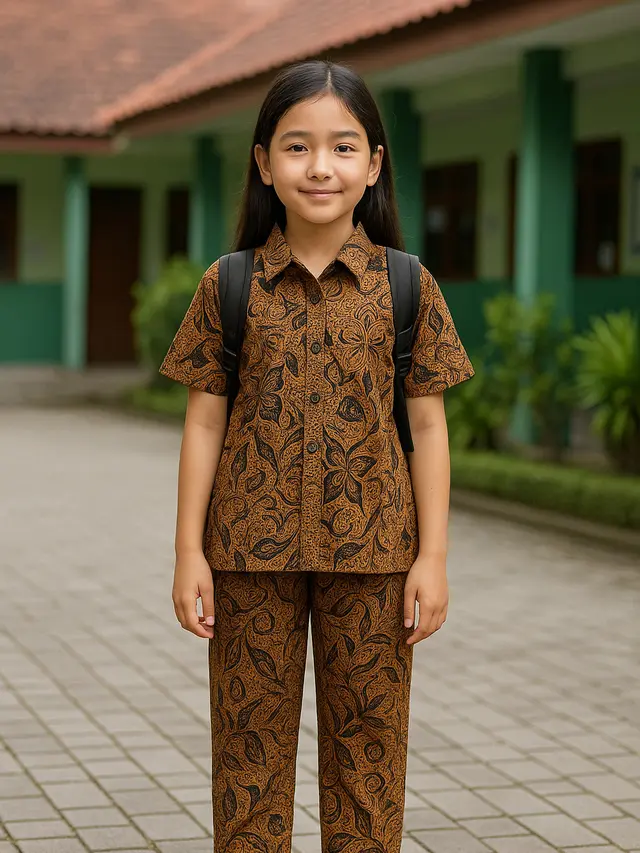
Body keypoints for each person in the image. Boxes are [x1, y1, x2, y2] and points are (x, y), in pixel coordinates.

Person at [159, 59, 474, 853]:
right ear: (265, 163)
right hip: (245, 556)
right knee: (247, 753)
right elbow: (203, 423)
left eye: (342, 147)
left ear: (373, 165)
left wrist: (432, 556)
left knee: (369, 756)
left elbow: (429, 428)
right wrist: (186, 549)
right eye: (297, 147)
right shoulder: (228, 284)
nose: (320, 166)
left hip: (375, 558)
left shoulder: (409, 285)